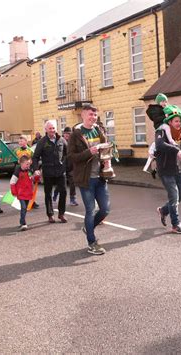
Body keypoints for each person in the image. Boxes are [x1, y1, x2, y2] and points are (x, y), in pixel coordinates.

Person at [68, 105, 111, 255]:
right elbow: (71, 157)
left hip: (100, 176)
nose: (93, 117)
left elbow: (106, 149)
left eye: (95, 115)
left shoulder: (98, 130)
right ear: (83, 115)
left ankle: (89, 227)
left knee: (105, 209)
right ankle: (92, 243)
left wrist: (107, 161)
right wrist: (89, 152)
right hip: (86, 179)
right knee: (90, 210)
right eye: (90, 114)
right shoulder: (76, 134)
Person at [155, 105, 181, 234]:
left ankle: (163, 210)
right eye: (176, 121)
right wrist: (176, 150)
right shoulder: (161, 131)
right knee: (174, 197)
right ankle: (176, 224)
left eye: (180, 121)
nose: (179, 123)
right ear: (169, 122)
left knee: (180, 197)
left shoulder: (180, 133)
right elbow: (160, 145)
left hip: (178, 170)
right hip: (166, 170)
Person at [32, 120, 68, 223]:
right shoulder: (42, 142)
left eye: (53, 128)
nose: (52, 130)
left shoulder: (62, 140)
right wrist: (36, 169)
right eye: (50, 128)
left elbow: (67, 153)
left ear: (56, 129)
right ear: (46, 130)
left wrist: (66, 166)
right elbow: (35, 157)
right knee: (48, 193)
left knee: (64, 192)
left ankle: (61, 214)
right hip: (48, 172)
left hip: (60, 172)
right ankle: (50, 215)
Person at [10, 155, 39, 231]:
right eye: (27, 164)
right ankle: (23, 223)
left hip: (28, 193)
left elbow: (33, 179)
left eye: (29, 164)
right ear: (22, 163)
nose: (28, 165)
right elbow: (12, 182)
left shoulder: (29, 170)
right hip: (21, 193)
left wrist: (36, 177)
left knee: (25, 209)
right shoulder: (17, 171)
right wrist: (14, 191)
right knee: (23, 207)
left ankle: (21, 222)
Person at [53, 126, 78, 206]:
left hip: (71, 165)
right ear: (63, 134)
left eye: (69, 134)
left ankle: (72, 199)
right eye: (66, 134)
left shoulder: (73, 142)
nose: (68, 135)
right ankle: (55, 194)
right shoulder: (60, 141)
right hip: (62, 165)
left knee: (72, 182)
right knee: (60, 183)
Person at [14, 135, 39, 209]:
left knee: (30, 186)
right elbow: (13, 159)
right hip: (20, 171)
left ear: (26, 141)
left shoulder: (30, 150)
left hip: (28, 171)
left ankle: (32, 202)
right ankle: (21, 201)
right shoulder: (16, 151)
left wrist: (31, 163)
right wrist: (17, 161)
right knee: (20, 186)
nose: (20, 142)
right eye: (19, 141)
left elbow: (34, 159)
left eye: (21, 141)